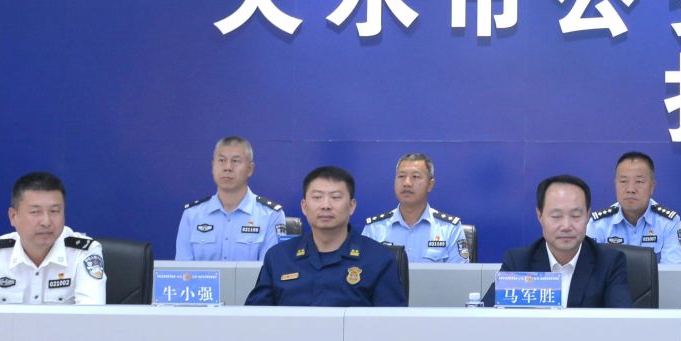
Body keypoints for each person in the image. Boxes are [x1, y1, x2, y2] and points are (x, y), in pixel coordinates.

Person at [0, 171, 106, 305]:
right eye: (35, 212)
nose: (46, 222)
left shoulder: (84, 252)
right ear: (13, 216)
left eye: (54, 211)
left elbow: (92, 317)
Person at [246, 166, 406, 306]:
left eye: (335, 197)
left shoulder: (379, 259)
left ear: (351, 206)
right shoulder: (279, 258)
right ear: (304, 206)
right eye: (317, 197)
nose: (326, 205)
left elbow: (391, 323)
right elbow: (254, 318)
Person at [483, 174, 633, 308]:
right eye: (556, 216)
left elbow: (622, 321)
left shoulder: (609, 263)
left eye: (575, 216)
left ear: (588, 216)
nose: (566, 226)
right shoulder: (518, 263)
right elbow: (487, 316)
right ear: (540, 216)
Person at [174, 135, 287, 262]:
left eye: (235, 161)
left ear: (250, 169)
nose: (227, 167)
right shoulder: (192, 215)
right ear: (213, 166)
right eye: (221, 160)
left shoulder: (271, 216)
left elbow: (271, 270)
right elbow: (183, 270)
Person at [362, 153, 473, 264]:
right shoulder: (374, 229)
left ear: (430, 185)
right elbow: (363, 271)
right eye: (401, 176)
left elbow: (460, 274)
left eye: (415, 177)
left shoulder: (449, 229)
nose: (407, 183)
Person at [587, 151, 681, 265]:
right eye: (624, 181)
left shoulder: (669, 223)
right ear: (615, 184)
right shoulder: (598, 224)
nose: (631, 189)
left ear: (652, 187)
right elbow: (588, 269)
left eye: (639, 181)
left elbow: (673, 271)